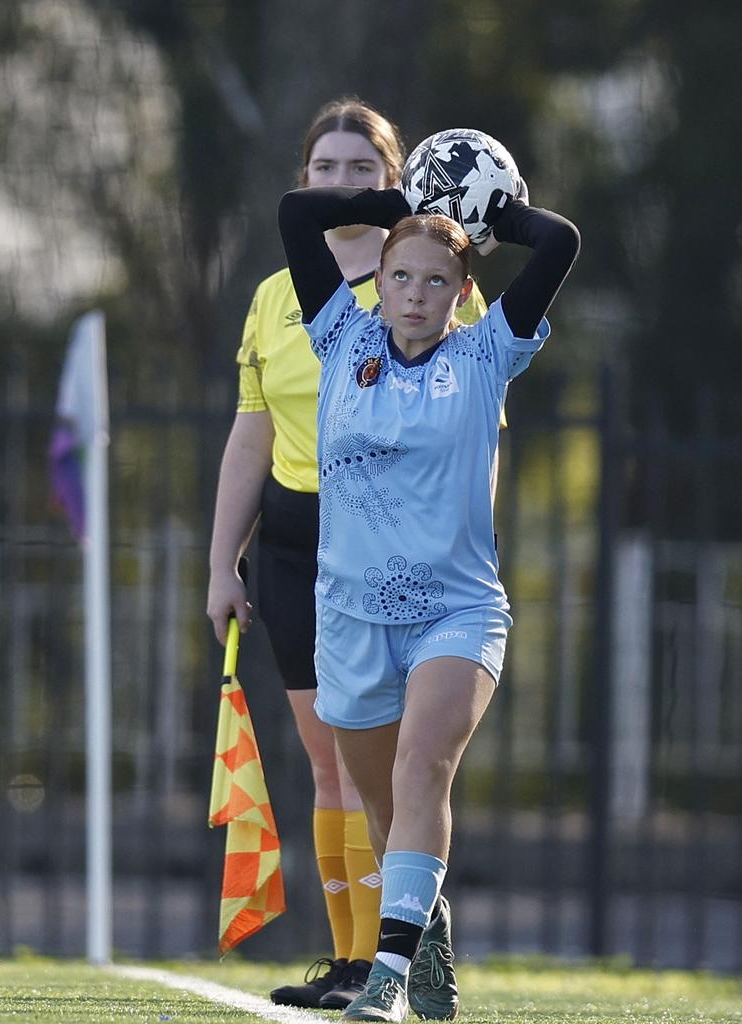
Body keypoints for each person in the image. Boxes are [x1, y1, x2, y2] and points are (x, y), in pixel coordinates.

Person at [276, 172, 579, 1022]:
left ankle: (388, 979)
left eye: (436, 281)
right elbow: (298, 214)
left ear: (464, 292)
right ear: (378, 282)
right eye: (401, 276)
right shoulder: (339, 335)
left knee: (422, 773)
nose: (416, 294)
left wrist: (487, 213)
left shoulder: (488, 354)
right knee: (383, 809)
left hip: (457, 613)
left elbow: (558, 241)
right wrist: (399, 202)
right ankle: (426, 916)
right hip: (350, 617)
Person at [206, 98, 489, 1011]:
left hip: (403, 544)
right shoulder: (276, 295)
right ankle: (356, 962)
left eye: (359, 170)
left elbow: (483, 432)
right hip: (298, 547)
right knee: (333, 763)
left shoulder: (435, 278)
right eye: (323, 169)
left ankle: (403, 952)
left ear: (396, 176)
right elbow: (251, 436)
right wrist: (223, 561)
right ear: (304, 181)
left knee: (416, 760)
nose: (340, 185)